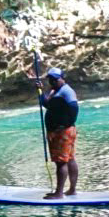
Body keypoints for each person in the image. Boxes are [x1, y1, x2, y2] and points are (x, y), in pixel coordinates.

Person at [36, 68, 80, 199]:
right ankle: (71, 190)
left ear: (62, 78)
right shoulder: (56, 91)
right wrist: (40, 92)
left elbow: (74, 108)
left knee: (61, 162)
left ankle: (59, 193)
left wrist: (64, 125)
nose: (52, 81)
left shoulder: (67, 91)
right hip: (61, 131)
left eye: (55, 79)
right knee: (70, 159)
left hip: (62, 132)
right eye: (50, 79)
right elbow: (48, 105)